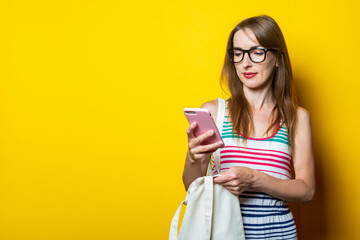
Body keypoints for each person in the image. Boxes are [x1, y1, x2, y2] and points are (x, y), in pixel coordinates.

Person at [182, 15, 315, 239]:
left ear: (277, 58)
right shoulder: (215, 112)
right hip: (223, 232)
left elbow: (307, 190)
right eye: (238, 53)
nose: (245, 63)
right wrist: (193, 158)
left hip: (278, 234)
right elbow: (191, 186)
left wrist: (255, 179)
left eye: (256, 52)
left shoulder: (297, 117)